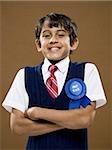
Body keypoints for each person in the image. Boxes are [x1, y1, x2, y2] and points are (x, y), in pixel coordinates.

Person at [2, 12, 107, 150]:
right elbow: (18, 126)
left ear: (73, 43)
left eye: (61, 35)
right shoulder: (24, 75)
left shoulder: (87, 70)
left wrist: (37, 113)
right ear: (39, 44)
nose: (53, 40)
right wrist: (68, 122)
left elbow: (84, 119)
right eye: (46, 35)